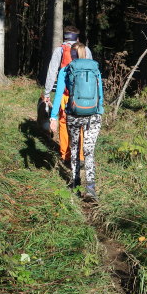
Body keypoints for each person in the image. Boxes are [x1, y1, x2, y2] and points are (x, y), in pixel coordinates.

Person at [49, 43, 103, 201]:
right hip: (93, 116)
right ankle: (91, 188)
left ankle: (75, 183)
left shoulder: (66, 70)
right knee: (89, 151)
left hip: (73, 114)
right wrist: (99, 111)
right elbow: (100, 93)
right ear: (86, 54)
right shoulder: (95, 69)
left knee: (74, 148)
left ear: (72, 55)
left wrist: (54, 117)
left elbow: (59, 95)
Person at [44, 26, 92, 165]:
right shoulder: (85, 50)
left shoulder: (59, 50)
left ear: (65, 37)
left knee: (64, 123)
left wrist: (47, 92)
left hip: (65, 94)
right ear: (77, 38)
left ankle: (66, 155)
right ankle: (81, 156)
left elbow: (52, 71)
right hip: (84, 96)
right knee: (82, 124)